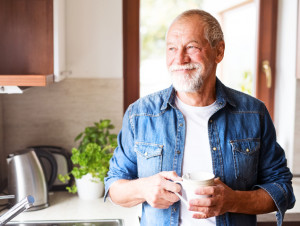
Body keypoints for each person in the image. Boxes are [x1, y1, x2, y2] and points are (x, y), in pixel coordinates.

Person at [104, 9, 295, 226]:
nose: (179, 58)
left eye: (192, 47)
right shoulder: (140, 114)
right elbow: (114, 187)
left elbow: (282, 189)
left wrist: (233, 201)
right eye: (172, 49)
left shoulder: (253, 113)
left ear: (219, 51)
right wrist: (143, 189)